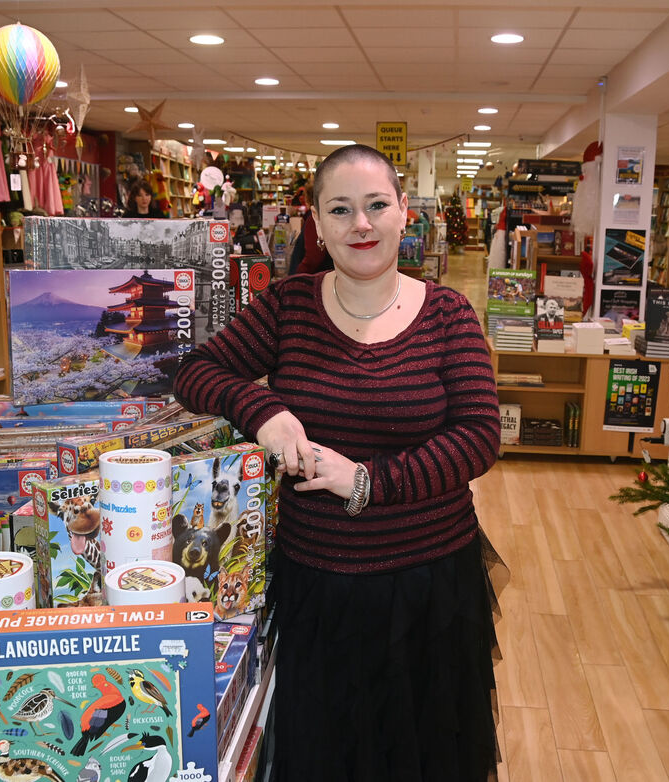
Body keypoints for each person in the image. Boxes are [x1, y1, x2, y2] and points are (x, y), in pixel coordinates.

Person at [174, 143, 504, 781]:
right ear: (318, 225)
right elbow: (195, 371)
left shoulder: (448, 315)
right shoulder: (288, 307)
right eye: (341, 209)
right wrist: (262, 411)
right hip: (318, 582)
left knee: (425, 756)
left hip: (428, 584)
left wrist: (368, 482)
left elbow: (478, 436)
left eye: (377, 205)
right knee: (326, 754)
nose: (362, 224)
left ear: (403, 212)